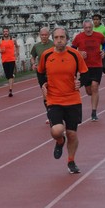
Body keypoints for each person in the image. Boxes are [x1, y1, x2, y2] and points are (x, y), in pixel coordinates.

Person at [37, 26, 89, 174]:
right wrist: (43, 85)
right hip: (54, 99)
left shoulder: (75, 55)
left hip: (73, 99)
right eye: (57, 38)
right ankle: (60, 141)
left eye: (62, 37)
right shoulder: (46, 56)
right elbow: (40, 73)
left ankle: (71, 161)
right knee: (57, 130)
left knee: (72, 133)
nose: (59, 40)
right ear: (53, 39)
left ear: (67, 39)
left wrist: (81, 82)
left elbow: (85, 72)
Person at [72, 19, 105, 121]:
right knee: (89, 91)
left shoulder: (99, 36)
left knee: (95, 87)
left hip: (97, 65)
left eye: (89, 27)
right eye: (86, 28)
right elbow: (72, 49)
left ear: (92, 27)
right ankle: (94, 97)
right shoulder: (79, 37)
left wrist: (103, 51)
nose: (88, 30)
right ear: (83, 28)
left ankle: (94, 112)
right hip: (84, 67)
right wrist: (79, 53)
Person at [30, 26, 54, 123]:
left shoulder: (53, 45)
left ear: (49, 35)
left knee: (53, 92)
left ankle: (56, 112)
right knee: (45, 93)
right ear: (39, 36)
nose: (44, 36)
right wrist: (33, 64)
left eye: (45, 35)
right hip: (41, 72)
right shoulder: (36, 46)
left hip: (52, 72)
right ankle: (49, 113)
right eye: (42, 35)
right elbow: (32, 56)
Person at [0, 28, 19, 97]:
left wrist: (17, 54)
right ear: (3, 33)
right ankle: (11, 76)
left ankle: (10, 90)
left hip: (12, 59)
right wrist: (1, 51)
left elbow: (17, 47)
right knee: (7, 76)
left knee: (10, 75)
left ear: (8, 32)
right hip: (4, 60)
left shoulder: (13, 40)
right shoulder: (0, 41)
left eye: (6, 31)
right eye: (4, 31)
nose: (5, 33)